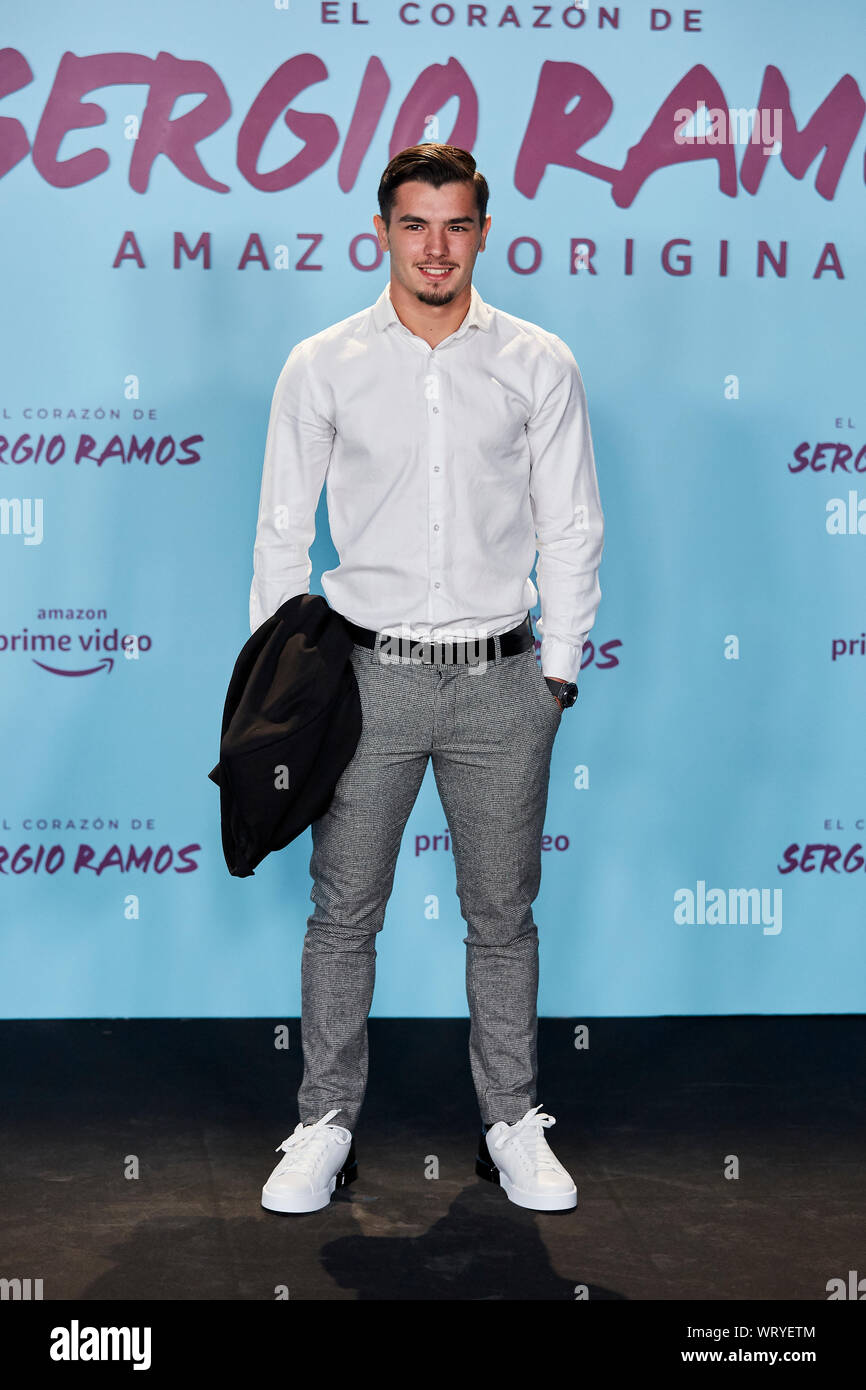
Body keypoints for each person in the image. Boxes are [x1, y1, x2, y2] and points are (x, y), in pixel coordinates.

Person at [250, 143, 604, 1216]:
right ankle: (322, 1122)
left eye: (454, 225)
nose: (435, 246)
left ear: (482, 232)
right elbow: (279, 532)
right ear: (383, 232)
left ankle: (509, 1120)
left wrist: (555, 674)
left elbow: (570, 522)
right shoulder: (323, 362)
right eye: (415, 224)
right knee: (341, 912)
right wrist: (276, 697)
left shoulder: (537, 360)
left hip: (502, 682)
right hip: (363, 682)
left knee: (503, 915)